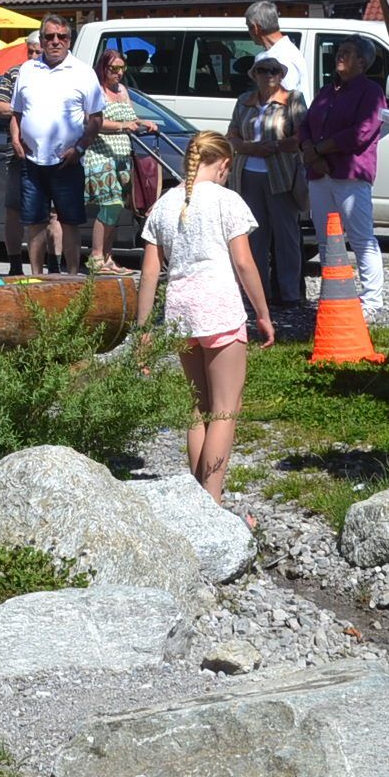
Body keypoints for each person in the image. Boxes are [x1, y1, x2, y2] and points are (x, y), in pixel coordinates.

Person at [134, 131, 275, 503]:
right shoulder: (228, 201)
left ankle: (198, 498)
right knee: (226, 411)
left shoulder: (164, 204)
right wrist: (262, 313)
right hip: (220, 309)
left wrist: (144, 327)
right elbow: (244, 263)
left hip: (181, 312)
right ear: (225, 164)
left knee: (197, 408)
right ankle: (212, 501)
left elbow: (150, 273)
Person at [299, 38, 389, 316]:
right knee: (326, 239)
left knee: (361, 237)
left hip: (349, 174)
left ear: (362, 62)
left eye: (347, 53)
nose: (339, 56)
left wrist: (320, 150)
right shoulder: (327, 91)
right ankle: (334, 294)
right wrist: (311, 153)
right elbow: (304, 125)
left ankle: (372, 301)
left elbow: (361, 132)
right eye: (339, 51)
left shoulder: (371, 92)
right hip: (320, 174)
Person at [10, 15, 104, 277]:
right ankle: (37, 278)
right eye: (49, 37)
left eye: (61, 37)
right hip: (32, 161)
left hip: (67, 162)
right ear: (41, 40)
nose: (55, 42)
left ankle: (72, 278)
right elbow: (16, 113)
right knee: (35, 223)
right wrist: (16, 139)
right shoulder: (27, 69)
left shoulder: (83, 72)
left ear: (69, 40)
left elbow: (97, 118)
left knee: (70, 222)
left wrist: (81, 148)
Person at [227, 58, 309, 304]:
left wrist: (273, 146)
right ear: (254, 75)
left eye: (275, 71)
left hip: (281, 176)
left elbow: (302, 135)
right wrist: (249, 148)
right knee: (254, 238)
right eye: (263, 70)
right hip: (247, 176)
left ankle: (290, 294)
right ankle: (258, 295)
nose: (269, 75)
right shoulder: (244, 101)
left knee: (287, 236)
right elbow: (232, 134)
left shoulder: (293, 100)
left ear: (282, 75)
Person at [0, 31, 57, 273]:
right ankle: (15, 265)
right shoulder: (16, 73)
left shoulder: (59, 73)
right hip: (19, 155)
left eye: (37, 51)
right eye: (30, 51)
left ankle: (54, 265)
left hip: (53, 155)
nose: (33, 55)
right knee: (14, 210)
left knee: (52, 214)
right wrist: (27, 108)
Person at [88, 48, 159, 273]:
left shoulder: (123, 90)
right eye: (114, 69)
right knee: (109, 205)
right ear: (103, 69)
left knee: (117, 208)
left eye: (122, 68)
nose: (118, 73)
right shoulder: (97, 92)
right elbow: (94, 122)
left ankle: (108, 258)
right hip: (101, 155)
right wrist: (121, 126)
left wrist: (143, 122)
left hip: (122, 155)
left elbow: (130, 117)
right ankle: (96, 256)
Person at [244, 2, 309, 101]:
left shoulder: (283, 57)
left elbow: (284, 101)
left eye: (249, 27)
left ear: (256, 28)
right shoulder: (283, 51)